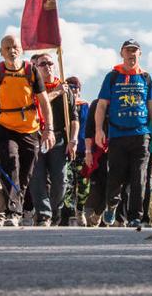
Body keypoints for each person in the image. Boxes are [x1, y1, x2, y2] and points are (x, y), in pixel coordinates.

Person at [0, 35, 54, 227]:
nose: (12, 50)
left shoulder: (31, 71)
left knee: (25, 173)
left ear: (21, 50)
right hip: (4, 127)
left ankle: (14, 207)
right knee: (11, 164)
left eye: (15, 47)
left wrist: (49, 129)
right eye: (8, 47)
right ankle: (13, 212)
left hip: (30, 129)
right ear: (1, 51)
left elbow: (44, 102)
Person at [94, 39, 152, 228]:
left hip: (141, 135)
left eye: (135, 51)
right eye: (128, 50)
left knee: (139, 177)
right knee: (115, 176)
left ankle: (135, 216)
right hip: (117, 135)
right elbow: (101, 105)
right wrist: (99, 130)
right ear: (121, 53)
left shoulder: (146, 78)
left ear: (140, 54)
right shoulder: (112, 77)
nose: (131, 54)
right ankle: (112, 206)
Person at [29, 53, 78, 226]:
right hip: (36, 136)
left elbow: (74, 118)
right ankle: (43, 215)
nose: (47, 66)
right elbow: (36, 103)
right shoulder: (32, 87)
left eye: (50, 63)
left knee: (60, 179)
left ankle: (54, 211)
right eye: (43, 64)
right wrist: (56, 92)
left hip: (58, 139)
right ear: (36, 67)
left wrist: (73, 140)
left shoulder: (64, 89)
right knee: (37, 178)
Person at [62, 76, 90, 226]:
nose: (74, 90)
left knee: (84, 184)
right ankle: (71, 212)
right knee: (68, 183)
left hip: (82, 150)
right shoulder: (63, 105)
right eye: (71, 88)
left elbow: (89, 128)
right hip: (66, 151)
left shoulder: (85, 106)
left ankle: (81, 209)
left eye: (76, 88)